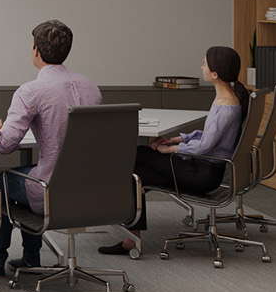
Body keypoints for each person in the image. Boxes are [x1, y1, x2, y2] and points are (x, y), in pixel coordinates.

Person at [0, 19, 102, 277]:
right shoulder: (91, 88)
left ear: (35, 50)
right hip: (90, 188)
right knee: (28, 174)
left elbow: (6, 146)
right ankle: (30, 258)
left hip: (50, 189)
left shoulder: (31, 91)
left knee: (2, 183)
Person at [100, 46, 250, 255]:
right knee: (136, 175)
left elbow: (205, 146)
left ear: (215, 74)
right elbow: (208, 135)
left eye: (204, 64)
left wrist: (171, 149)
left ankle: (121, 224)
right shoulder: (227, 99)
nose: (201, 67)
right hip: (201, 168)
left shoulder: (226, 106)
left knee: (139, 154)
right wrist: (178, 138)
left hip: (203, 174)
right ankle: (131, 238)